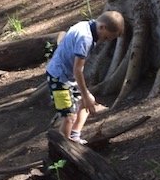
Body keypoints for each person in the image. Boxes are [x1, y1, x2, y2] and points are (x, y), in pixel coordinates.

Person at [45, 10, 124, 144]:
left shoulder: (85, 25)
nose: (104, 41)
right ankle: (65, 148)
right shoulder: (85, 39)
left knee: (85, 104)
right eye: (105, 37)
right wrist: (85, 94)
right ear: (102, 27)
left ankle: (74, 136)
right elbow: (78, 70)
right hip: (58, 78)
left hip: (68, 77)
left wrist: (86, 96)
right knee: (68, 116)